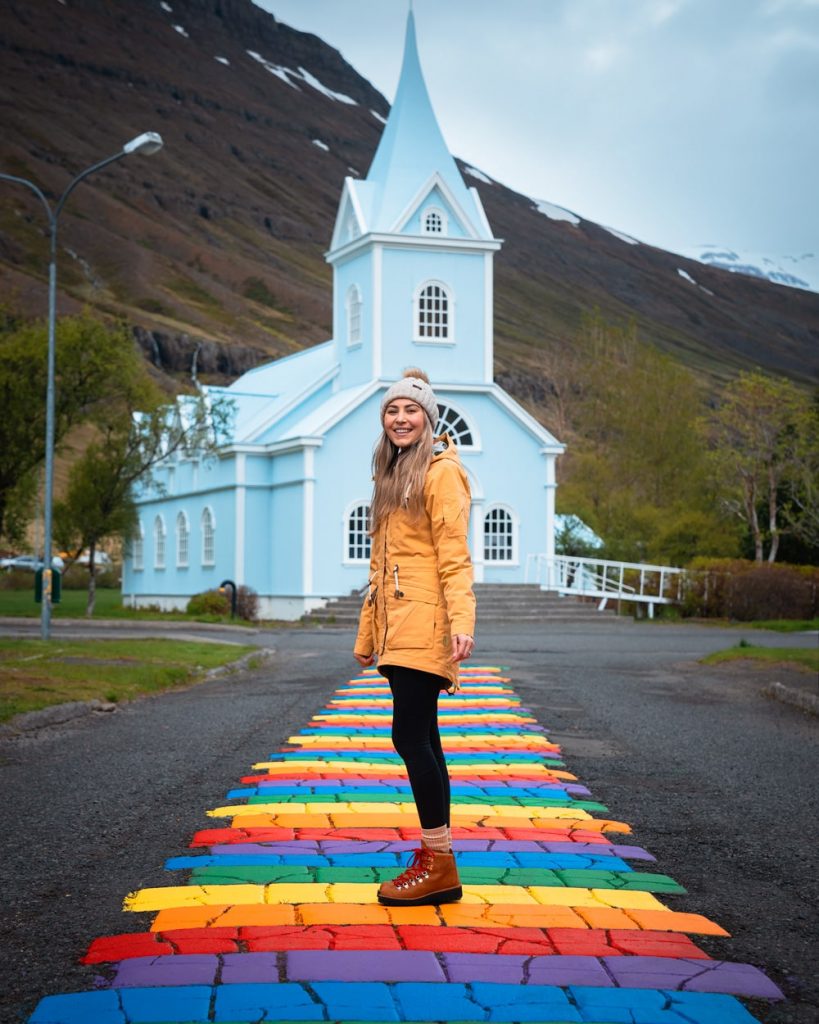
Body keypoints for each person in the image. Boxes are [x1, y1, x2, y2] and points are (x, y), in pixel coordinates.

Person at [354, 368, 476, 906]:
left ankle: (438, 862)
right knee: (424, 738)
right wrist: (368, 633)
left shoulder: (440, 472)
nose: (401, 419)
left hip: (425, 620)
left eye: (411, 410)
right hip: (399, 620)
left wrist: (462, 620)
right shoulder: (393, 469)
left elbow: (454, 553)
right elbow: (381, 566)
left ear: (428, 417)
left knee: (410, 738)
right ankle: (438, 859)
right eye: (391, 411)